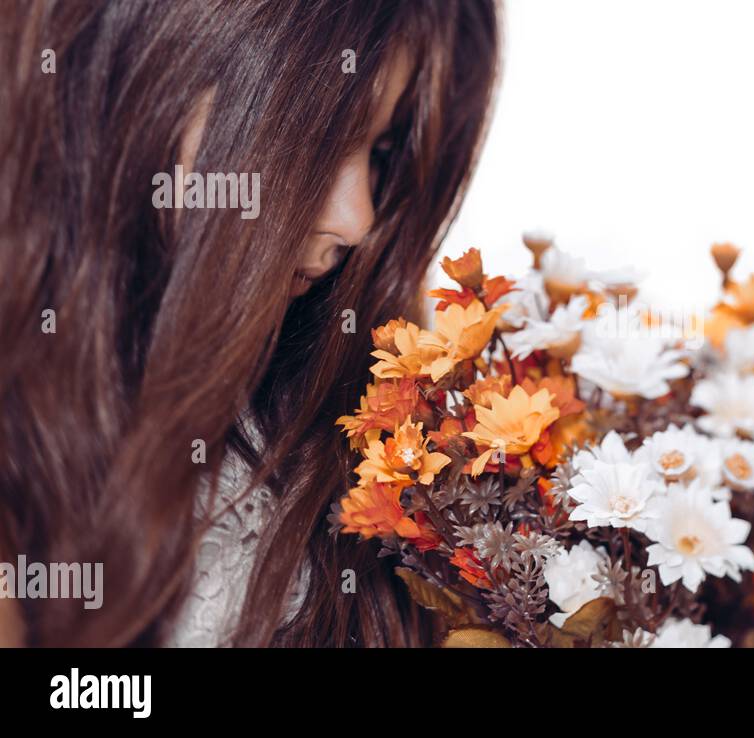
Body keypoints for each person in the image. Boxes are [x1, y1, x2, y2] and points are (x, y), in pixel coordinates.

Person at [0, 0, 500, 646]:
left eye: (377, 153)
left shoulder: (352, 386)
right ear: (152, 80)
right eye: (321, 139)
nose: (358, 219)